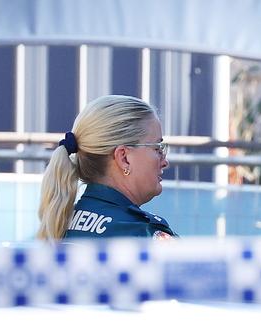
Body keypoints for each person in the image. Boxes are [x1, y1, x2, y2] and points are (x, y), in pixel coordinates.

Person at [38, 94, 176, 241]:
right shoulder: (141, 233)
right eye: (157, 148)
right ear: (124, 158)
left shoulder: (61, 222)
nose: (165, 161)